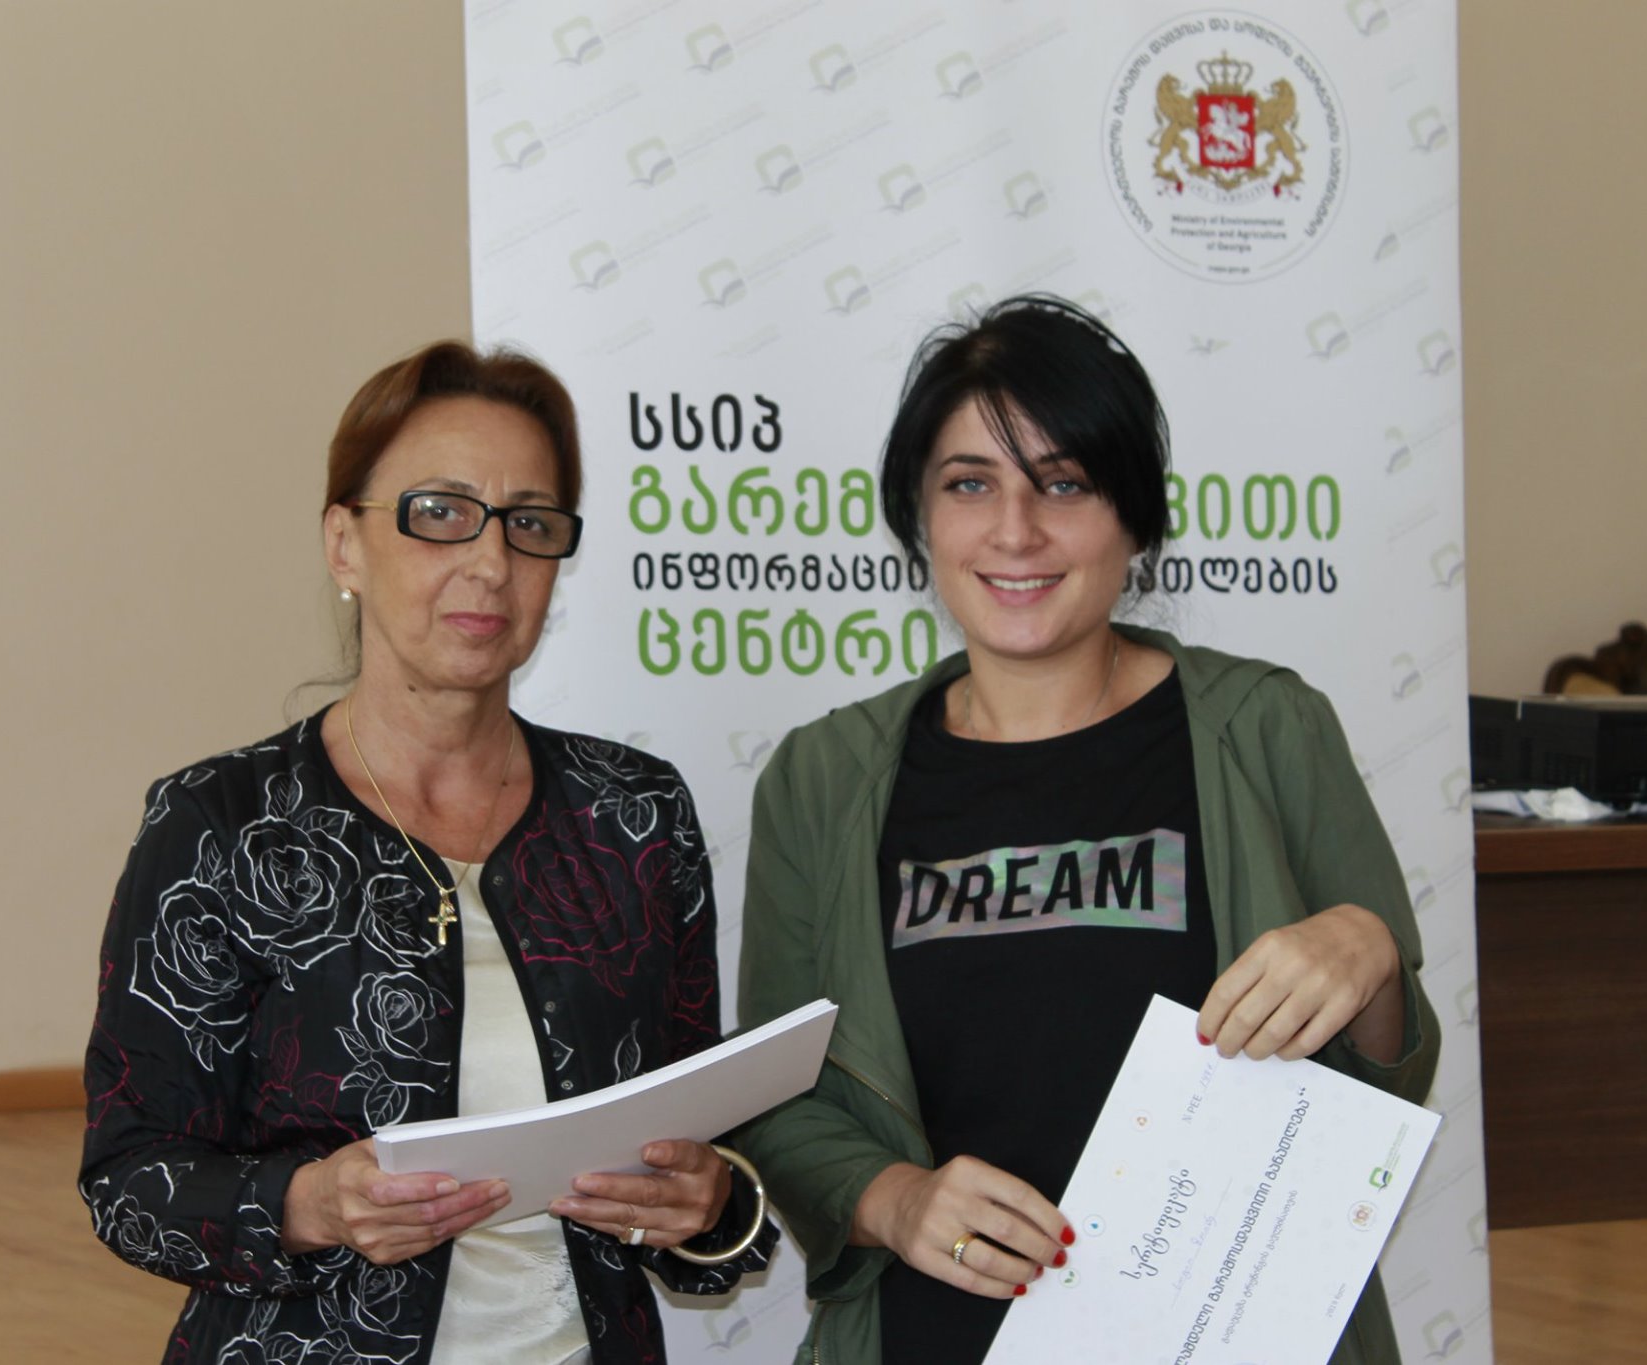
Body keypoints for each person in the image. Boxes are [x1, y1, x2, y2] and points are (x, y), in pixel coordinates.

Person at [730, 296, 1439, 1365]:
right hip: (935, 1338)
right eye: (969, 484)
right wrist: (893, 1198)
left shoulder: (1267, 727)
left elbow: (1384, 1087)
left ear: (1135, 520)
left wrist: (1369, 948)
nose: (1015, 531)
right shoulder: (821, 778)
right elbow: (780, 1105)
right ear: (920, 517)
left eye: (1063, 483)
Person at [79, 341, 776, 1365]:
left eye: (528, 523)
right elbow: (128, 1181)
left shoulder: (634, 815)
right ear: (344, 544)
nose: (490, 562)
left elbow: (705, 1158)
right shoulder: (218, 823)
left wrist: (710, 1205)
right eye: (440, 512)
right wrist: (309, 1203)